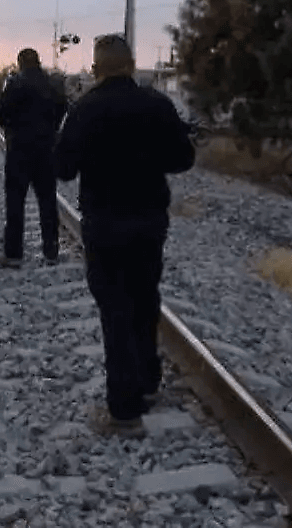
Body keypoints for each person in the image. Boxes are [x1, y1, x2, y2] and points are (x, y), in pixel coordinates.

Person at [54, 34, 195, 437]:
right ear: (132, 65)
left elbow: (62, 169)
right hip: (149, 218)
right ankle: (148, 382)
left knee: (114, 307)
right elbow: (183, 159)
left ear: (97, 68)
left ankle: (124, 409)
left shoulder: (85, 109)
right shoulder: (158, 105)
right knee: (146, 297)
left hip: (106, 222)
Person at [0, 48, 67, 266]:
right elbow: (63, 106)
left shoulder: (16, 84)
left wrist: (15, 126)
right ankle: (51, 250)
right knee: (47, 201)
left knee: (15, 201)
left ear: (20, 63)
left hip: (19, 150)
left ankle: (14, 253)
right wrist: (50, 128)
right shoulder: (51, 84)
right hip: (46, 149)